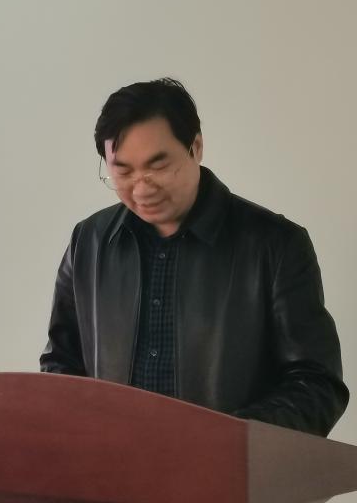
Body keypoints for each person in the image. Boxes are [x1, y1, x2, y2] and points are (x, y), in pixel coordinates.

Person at [40, 78, 347, 436]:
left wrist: (227, 438)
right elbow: (61, 363)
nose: (142, 187)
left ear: (196, 147)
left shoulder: (275, 245)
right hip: (111, 465)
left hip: (226, 467)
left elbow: (317, 384)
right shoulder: (89, 242)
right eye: (123, 171)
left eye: (158, 166)